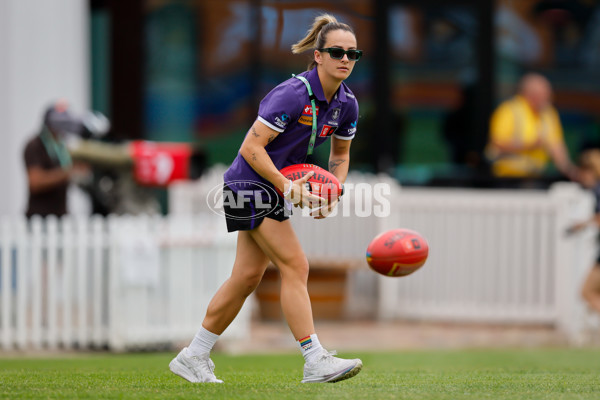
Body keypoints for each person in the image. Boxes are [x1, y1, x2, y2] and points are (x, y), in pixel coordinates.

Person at [169, 14, 363, 384]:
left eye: (353, 54)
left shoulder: (347, 104)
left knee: (246, 276)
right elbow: (251, 147)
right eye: (337, 51)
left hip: (271, 188)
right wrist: (287, 187)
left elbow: (340, 156)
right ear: (318, 56)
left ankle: (193, 355)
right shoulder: (292, 94)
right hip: (249, 184)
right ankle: (314, 359)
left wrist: (334, 192)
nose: (345, 59)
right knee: (296, 265)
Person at [485, 73, 578, 182]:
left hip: (535, 176)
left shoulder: (548, 114)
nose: (549, 98)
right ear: (530, 94)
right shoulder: (508, 111)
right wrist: (529, 145)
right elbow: (497, 143)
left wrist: (570, 171)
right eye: (544, 94)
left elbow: (556, 146)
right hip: (506, 177)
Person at [23, 101, 88, 218]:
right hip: (39, 218)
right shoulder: (35, 145)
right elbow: (35, 182)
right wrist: (68, 173)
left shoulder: (63, 146)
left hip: (61, 215)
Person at [567, 149, 600, 314]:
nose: (581, 176)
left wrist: (582, 224)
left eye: (583, 171)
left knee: (586, 292)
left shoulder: (598, 191)